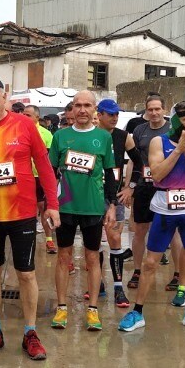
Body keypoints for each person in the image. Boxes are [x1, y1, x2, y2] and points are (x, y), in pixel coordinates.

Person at [0, 75, 60, 361]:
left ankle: (30, 332)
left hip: (22, 213)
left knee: (26, 273)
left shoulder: (26, 126)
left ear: (4, 95)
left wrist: (52, 205)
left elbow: (44, 167)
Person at [119, 102, 185, 333]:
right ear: (175, 121)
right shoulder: (157, 142)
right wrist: (178, 151)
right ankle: (137, 311)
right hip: (164, 205)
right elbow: (158, 174)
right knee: (151, 262)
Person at [48, 91, 118, 331]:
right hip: (66, 206)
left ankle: (93, 309)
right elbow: (50, 172)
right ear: (72, 109)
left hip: (93, 207)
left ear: (95, 109)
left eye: (87, 105)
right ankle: (61, 307)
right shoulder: (60, 136)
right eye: (77, 105)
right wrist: (50, 205)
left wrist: (111, 205)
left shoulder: (103, 137)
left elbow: (109, 173)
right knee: (64, 257)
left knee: (92, 257)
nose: (82, 110)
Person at [96, 99, 143, 309]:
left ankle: (118, 287)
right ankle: (97, 284)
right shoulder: (90, 134)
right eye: (110, 114)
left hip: (115, 197)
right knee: (93, 242)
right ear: (99, 114)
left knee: (115, 239)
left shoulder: (124, 137)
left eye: (116, 114)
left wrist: (130, 187)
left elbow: (140, 163)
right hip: (92, 197)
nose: (114, 118)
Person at [124, 95, 171, 289]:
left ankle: (176, 275)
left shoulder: (172, 130)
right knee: (139, 230)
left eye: (157, 109)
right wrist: (128, 186)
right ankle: (137, 270)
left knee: (171, 231)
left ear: (164, 109)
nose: (153, 113)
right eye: (150, 109)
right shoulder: (139, 130)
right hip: (144, 185)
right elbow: (133, 160)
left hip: (167, 186)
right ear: (146, 110)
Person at [25, 105, 56, 254]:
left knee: (44, 208)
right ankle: (27, 240)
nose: (25, 117)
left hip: (40, 178)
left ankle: (49, 240)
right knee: (28, 210)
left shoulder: (46, 134)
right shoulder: (18, 131)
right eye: (24, 114)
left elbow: (50, 160)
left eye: (28, 115)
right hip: (25, 178)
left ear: (37, 118)